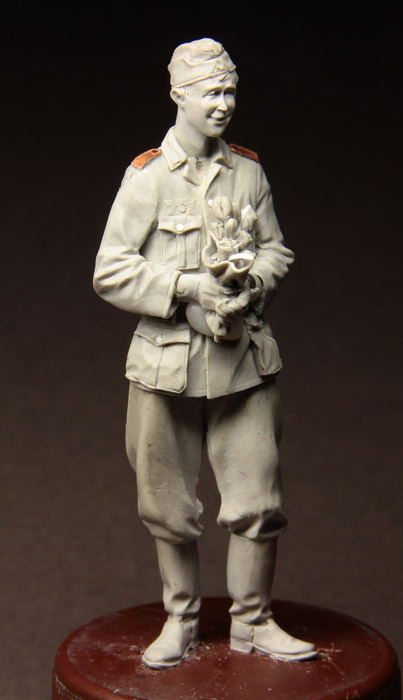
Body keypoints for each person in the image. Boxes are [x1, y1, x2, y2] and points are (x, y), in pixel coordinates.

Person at [93, 38, 316, 669]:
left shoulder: (248, 172)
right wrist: (187, 287)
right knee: (167, 507)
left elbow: (275, 249)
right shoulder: (148, 178)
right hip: (166, 365)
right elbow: (110, 270)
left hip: (242, 363)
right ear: (178, 95)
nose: (223, 104)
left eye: (230, 91)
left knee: (259, 503)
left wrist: (251, 284)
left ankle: (254, 621)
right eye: (210, 92)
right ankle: (181, 620)